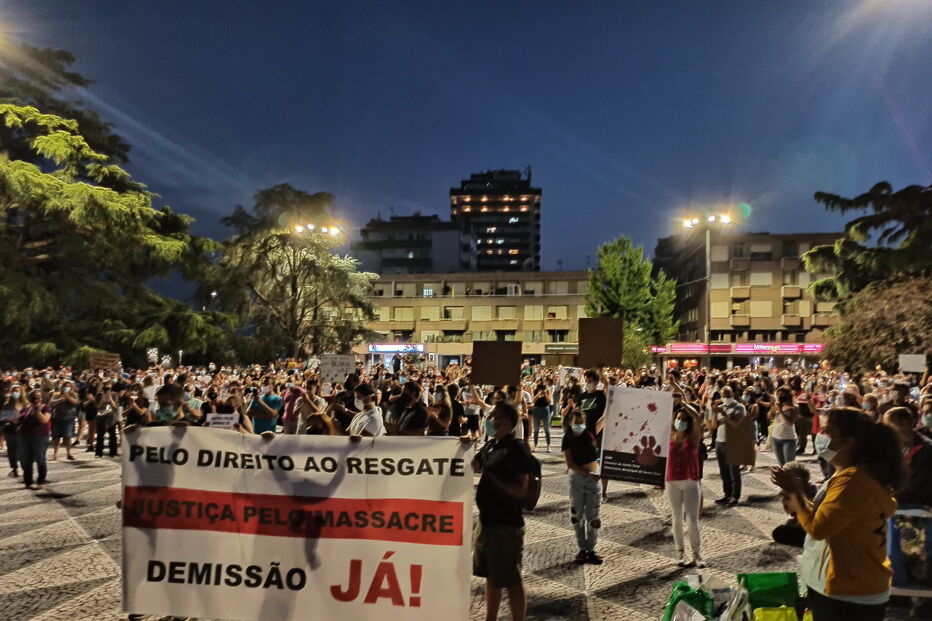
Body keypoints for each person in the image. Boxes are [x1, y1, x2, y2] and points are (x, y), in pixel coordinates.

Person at [772, 407, 904, 621]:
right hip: (852, 583)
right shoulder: (854, 474)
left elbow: (819, 528)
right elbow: (830, 516)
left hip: (850, 591)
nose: (820, 436)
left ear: (847, 442)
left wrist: (796, 492)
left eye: (826, 432)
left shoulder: (852, 482)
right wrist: (798, 499)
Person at [471, 401, 533, 621]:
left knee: (511, 579)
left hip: (506, 525)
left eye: (493, 417)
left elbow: (521, 489)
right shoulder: (491, 445)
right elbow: (474, 465)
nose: (489, 420)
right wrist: (463, 445)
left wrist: (493, 477)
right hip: (486, 521)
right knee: (491, 575)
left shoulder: (517, 449)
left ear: (505, 423)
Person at [666, 398, 705, 566]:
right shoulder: (669, 435)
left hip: (690, 482)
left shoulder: (693, 438)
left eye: (683, 419)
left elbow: (697, 417)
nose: (680, 421)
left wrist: (683, 403)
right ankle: (680, 552)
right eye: (678, 418)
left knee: (692, 520)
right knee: (676, 518)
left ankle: (696, 554)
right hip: (672, 481)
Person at [561, 409, 603, 565]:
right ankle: (582, 548)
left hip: (594, 480)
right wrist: (587, 473)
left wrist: (611, 398)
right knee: (577, 515)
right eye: (576, 422)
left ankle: (591, 549)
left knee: (593, 516)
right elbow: (570, 464)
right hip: (577, 480)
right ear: (571, 423)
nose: (579, 425)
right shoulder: (567, 437)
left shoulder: (590, 431)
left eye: (581, 422)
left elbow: (606, 416)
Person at [882, 406, 932, 508]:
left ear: (904, 424)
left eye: (889, 427)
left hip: (918, 507)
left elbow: (918, 485)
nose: (886, 431)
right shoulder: (892, 446)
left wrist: (889, 496)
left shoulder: (926, 449)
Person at [712, 385, 746, 506]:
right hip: (720, 441)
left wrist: (724, 414)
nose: (725, 397)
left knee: (734, 471)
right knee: (723, 471)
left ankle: (735, 496)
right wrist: (715, 413)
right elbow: (714, 426)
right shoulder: (721, 407)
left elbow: (736, 424)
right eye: (723, 395)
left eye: (727, 394)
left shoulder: (739, 407)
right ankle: (727, 494)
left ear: (733, 394)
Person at [771, 461, 818, 548]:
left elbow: (811, 513)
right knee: (780, 531)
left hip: (812, 524)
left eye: (788, 478)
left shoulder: (811, 490)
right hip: (800, 520)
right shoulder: (788, 491)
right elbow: (789, 510)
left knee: (782, 532)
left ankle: (806, 540)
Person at [16, 389, 51, 490]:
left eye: (38, 396)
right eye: (34, 396)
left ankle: (41, 481)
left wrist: (38, 411)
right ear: (29, 398)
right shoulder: (26, 408)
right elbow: (18, 420)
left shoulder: (45, 408)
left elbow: (44, 420)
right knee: (26, 460)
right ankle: (28, 482)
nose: (36, 398)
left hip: (40, 437)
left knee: (40, 459)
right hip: (24, 437)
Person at [49, 380, 79, 461]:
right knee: (56, 437)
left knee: (68, 436)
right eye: (65, 386)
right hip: (57, 418)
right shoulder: (56, 394)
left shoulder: (74, 395)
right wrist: (60, 400)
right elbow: (51, 404)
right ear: (62, 387)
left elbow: (76, 403)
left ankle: (69, 454)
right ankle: (55, 455)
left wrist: (68, 397)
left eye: (68, 386)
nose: (66, 388)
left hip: (69, 418)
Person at [770, 387, 799, 467]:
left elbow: (790, 422)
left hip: (789, 439)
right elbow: (770, 417)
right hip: (776, 437)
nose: (780, 396)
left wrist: (780, 410)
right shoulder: (777, 406)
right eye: (778, 394)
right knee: (781, 464)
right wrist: (772, 406)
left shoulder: (794, 407)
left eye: (782, 394)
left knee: (789, 464)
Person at [1, 385, 25, 477]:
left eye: (17, 391)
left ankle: (25, 468)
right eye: (14, 391)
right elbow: (3, 417)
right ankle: (15, 468)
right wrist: (11, 419)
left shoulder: (25, 404)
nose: (16, 393)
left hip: (23, 429)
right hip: (11, 429)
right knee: (11, 450)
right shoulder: (7, 404)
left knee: (23, 450)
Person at [531, 382, 552, 452]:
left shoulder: (547, 391)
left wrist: (545, 394)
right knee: (536, 429)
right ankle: (535, 445)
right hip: (536, 409)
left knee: (547, 429)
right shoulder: (535, 391)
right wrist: (538, 394)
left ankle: (548, 445)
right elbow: (533, 400)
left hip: (545, 409)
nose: (541, 389)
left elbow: (549, 402)